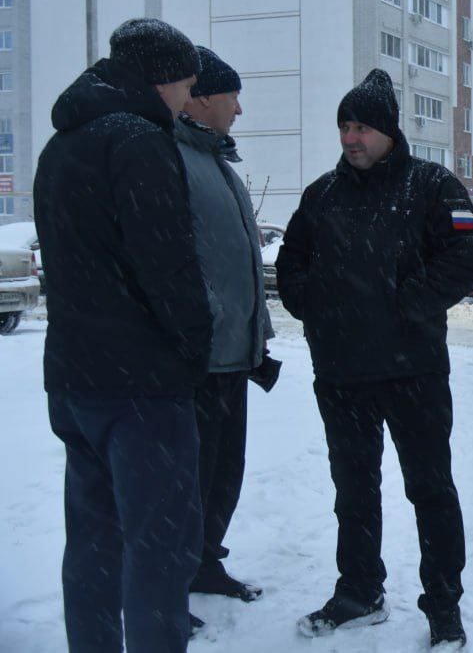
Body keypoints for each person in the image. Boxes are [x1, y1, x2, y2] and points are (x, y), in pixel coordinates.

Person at [277, 69, 473, 647]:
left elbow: (466, 257)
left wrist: (407, 304)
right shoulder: (321, 196)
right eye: (344, 125)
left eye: (361, 126)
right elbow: (290, 263)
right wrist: (313, 305)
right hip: (342, 376)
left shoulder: (433, 187)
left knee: (431, 490)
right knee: (354, 491)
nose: (350, 137)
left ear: (388, 131)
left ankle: (444, 605)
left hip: (413, 371)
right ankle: (359, 591)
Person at [34, 18, 213, 652]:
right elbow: (167, 263)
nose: (186, 100)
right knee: (160, 545)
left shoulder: (63, 145)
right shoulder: (138, 140)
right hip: (141, 385)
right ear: (162, 79)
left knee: (93, 539)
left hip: (76, 378)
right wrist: (196, 343)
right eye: (186, 85)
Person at [175, 46, 280, 604]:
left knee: (222, 471)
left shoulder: (217, 162)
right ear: (203, 97)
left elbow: (235, 260)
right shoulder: (172, 158)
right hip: (198, 356)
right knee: (187, 477)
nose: (239, 109)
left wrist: (255, 331)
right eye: (234, 96)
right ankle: (170, 577)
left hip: (233, 354)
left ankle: (204, 563)